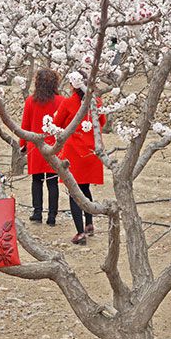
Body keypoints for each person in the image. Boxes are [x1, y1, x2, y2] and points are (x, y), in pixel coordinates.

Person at [52, 72, 106, 245]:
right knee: (85, 187)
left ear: (72, 86)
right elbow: (102, 122)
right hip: (91, 151)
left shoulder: (68, 103)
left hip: (74, 152)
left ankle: (80, 232)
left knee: (74, 191)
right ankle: (89, 223)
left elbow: (58, 125)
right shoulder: (96, 102)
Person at [20, 69, 64, 226]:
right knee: (52, 182)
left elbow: (25, 126)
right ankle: (52, 216)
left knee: (36, 181)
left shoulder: (31, 101)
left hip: (35, 145)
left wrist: (22, 145)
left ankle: (37, 212)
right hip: (54, 146)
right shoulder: (61, 101)